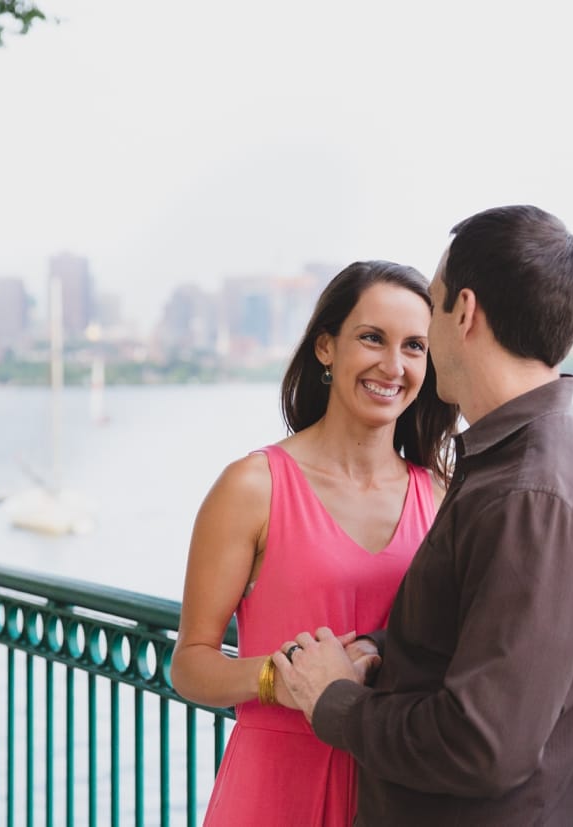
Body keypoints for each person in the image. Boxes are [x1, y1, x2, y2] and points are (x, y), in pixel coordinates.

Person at [274, 205, 573, 826]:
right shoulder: (531, 463)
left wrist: (331, 701)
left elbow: (483, 744)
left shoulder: (533, 493)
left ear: (464, 313)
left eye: (435, 305)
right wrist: (378, 650)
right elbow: (487, 634)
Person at [169, 260, 459, 826]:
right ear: (326, 347)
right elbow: (190, 664)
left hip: (398, 795)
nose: (393, 366)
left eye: (415, 347)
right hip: (274, 792)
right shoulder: (252, 486)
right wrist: (282, 679)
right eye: (372, 338)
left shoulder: (442, 496)